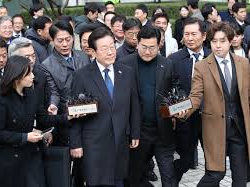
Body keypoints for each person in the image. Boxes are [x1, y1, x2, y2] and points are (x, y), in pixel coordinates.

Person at [178, 21, 250, 187]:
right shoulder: (202, 66)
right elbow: (195, 97)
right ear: (209, 42)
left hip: (239, 129)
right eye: (214, 41)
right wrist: (177, 110)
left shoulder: (243, 63)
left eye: (222, 41)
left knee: (240, 178)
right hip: (215, 129)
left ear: (230, 40)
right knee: (216, 174)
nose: (218, 46)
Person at [0, 55, 75, 187]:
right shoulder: (1, 100)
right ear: (17, 77)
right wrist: (25, 137)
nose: (33, 76)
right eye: (29, 74)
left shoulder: (32, 95)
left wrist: (67, 117)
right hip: (8, 160)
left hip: (31, 156)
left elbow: (43, 119)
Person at [70, 27, 140, 187]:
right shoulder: (82, 76)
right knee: (97, 182)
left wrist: (135, 132)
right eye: (104, 48)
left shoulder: (127, 72)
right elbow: (74, 113)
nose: (110, 52)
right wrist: (76, 144)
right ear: (93, 52)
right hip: (94, 143)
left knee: (118, 180)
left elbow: (134, 104)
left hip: (120, 139)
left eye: (112, 46)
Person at [118, 26, 179, 187]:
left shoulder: (167, 64)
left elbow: (176, 88)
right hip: (137, 132)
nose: (147, 51)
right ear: (137, 43)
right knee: (134, 176)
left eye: (152, 47)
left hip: (162, 130)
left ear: (159, 45)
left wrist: (178, 106)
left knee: (169, 176)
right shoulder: (124, 64)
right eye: (143, 47)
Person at [168, 17, 211, 184]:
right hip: (186, 118)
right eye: (186, 34)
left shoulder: (212, 57)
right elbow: (172, 88)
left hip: (209, 117)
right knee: (184, 160)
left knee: (214, 163)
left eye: (194, 34)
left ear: (204, 36)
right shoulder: (174, 60)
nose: (190, 38)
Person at [41, 21, 90, 146]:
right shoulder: (47, 65)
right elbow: (53, 91)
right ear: (52, 40)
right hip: (68, 116)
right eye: (60, 40)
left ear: (73, 38)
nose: (65, 44)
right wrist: (53, 105)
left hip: (89, 113)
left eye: (68, 39)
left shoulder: (83, 57)